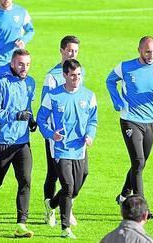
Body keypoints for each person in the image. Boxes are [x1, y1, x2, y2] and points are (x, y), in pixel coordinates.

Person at [106, 36, 153, 217]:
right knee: (138, 162)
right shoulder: (126, 67)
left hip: (150, 121)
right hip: (130, 119)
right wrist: (117, 101)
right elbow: (110, 81)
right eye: (147, 52)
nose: (150, 55)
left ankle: (123, 196)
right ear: (139, 50)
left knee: (140, 163)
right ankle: (142, 208)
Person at [0, 49, 36, 238]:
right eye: (20, 64)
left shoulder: (30, 82)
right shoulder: (0, 84)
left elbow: (28, 106)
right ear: (12, 64)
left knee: (25, 181)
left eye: (27, 64)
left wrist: (31, 119)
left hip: (22, 141)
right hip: (2, 140)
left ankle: (21, 225)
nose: (24, 68)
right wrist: (15, 115)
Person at [36, 59, 97, 239]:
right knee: (68, 187)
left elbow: (93, 120)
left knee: (76, 187)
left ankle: (51, 204)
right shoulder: (53, 96)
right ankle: (65, 228)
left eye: (79, 75)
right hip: (60, 148)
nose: (76, 78)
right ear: (64, 76)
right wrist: (50, 134)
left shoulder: (88, 96)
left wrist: (90, 135)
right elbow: (41, 119)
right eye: (72, 75)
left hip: (80, 148)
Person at [40, 35, 85, 227]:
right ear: (61, 51)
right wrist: (52, 133)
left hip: (76, 135)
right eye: (69, 50)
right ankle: (50, 210)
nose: (72, 54)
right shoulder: (51, 76)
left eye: (75, 51)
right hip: (56, 135)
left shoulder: (79, 72)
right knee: (53, 174)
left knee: (81, 175)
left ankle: (60, 205)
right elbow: (45, 105)